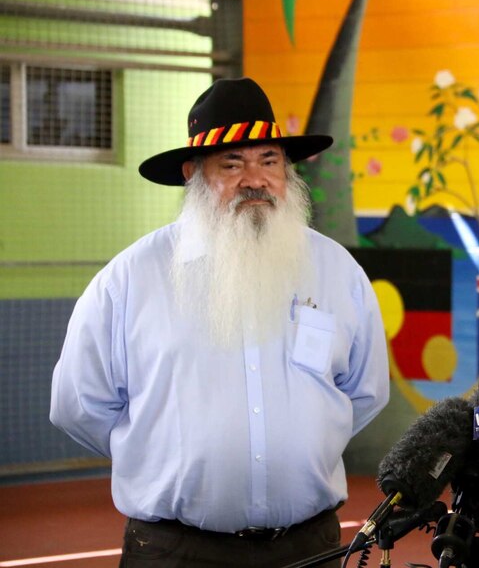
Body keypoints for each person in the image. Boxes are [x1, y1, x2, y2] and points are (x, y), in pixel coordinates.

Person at [50, 77, 390, 567]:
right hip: (175, 551)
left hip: (307, 548)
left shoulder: (338, 273)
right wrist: (159, 453)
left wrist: (300, 444)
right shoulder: (129, 280)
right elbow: (79, 404)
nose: (255, 179)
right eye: (232, 164)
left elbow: (364, 391)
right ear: (193, 174)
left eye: (269, 160)